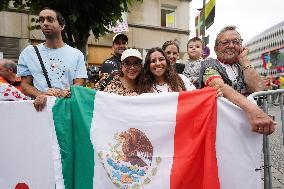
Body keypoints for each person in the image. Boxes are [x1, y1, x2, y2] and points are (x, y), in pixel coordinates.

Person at [199, 25, 276, 135]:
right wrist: (255, 111)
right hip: (220, 127)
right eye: (225, 42)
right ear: (216, 48)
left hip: (247, 129)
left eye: (236, 42)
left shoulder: (243, 65)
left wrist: (244, 60)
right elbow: (220, 86)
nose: (231, 46)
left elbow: (259, 89)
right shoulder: (209, 64)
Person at [17, 7, 87, 111]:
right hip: (40, 110)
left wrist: (65, 92)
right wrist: (41, 94)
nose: (44, 23)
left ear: (62, 26)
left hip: (67, 108)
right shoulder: (29, 52)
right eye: (41, 20)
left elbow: (80, 82)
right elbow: (25, 84)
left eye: (50, 20)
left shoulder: (76, 54)